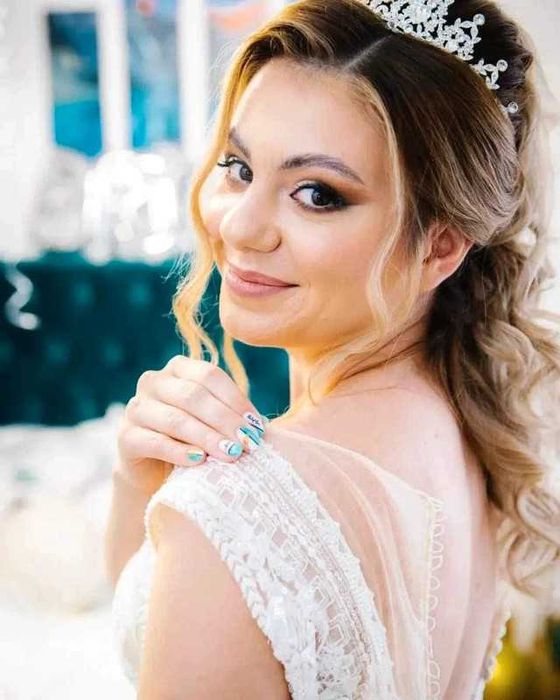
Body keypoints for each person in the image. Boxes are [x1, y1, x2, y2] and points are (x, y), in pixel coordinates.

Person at [106, 0, 560, 697]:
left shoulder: (236, 512)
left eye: (316, 193)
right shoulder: (472, 435)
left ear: (439, 246)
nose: (242, 227)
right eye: (238, 166)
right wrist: (136, 481)